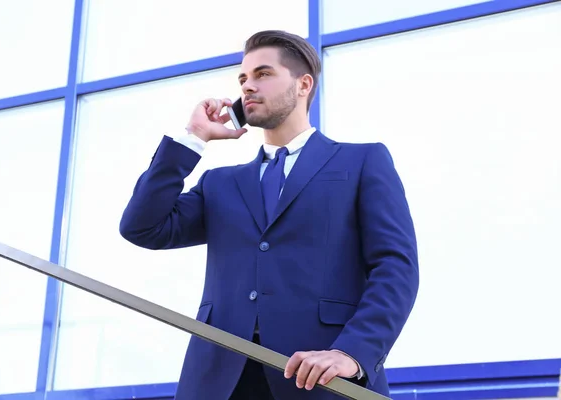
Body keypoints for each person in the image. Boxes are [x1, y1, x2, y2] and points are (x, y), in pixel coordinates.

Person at [119, 30, 419, 400]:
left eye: (263, 74)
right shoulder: (220, 184)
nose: (248, 86)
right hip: (219, 381)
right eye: (243, 79)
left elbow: (395, 267)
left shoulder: (361, 162)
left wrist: (352, 352)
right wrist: (194, 137)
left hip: (320, 378)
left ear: (303, 84)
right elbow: (142, 227)